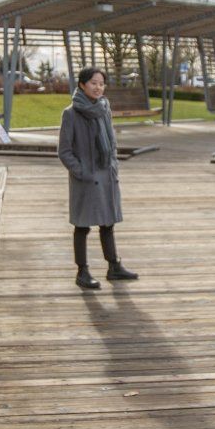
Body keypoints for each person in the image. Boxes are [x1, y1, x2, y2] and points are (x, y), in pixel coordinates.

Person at [59, 66, 138, 290]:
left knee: (107, 223)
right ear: (82, 85)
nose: (98, 87)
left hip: (105, 174)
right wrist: (82, 171)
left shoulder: (105, 108)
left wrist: (113, 165)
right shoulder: (71, 113)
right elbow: (64, 151)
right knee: (82, 226)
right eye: (94, 83)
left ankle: (114, 266)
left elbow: (112, 142)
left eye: (101, 83)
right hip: (85, 178)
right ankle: (82, 271)